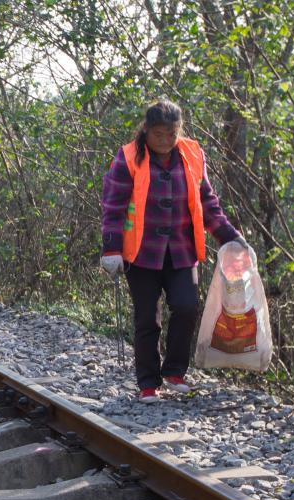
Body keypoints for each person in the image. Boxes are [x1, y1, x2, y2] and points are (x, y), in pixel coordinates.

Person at [100, 99, 245, 403]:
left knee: (187, 305)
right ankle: (148, 383)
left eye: (172, 133)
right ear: (146, 131)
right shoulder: (128, 157)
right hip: (141, 253)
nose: (165, 140)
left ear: (179, 131)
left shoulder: (192, 154)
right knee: (147, 319)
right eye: (159, 134)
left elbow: (207, 202)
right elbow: (113, 205)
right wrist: (111, 247)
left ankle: (175, 371)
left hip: (181, 250)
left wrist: (229, 237)